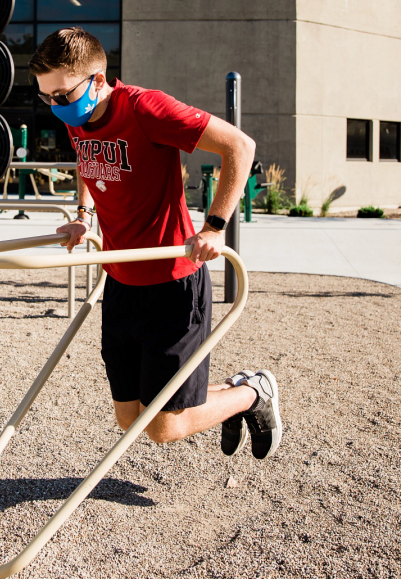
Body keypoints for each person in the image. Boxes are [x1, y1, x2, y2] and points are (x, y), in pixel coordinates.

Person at [28, 27, 282, 459]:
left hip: (172, 283)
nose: (56, 107)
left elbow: (239, 146)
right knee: (129, 418)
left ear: (99, 80)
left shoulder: (146, 108)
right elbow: (86, 159)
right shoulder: (79, 117)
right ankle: (233, 393)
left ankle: (254, 394)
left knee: (163, 426)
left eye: (62, 96)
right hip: (122, 280)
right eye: (46, 97)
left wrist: (214, 226)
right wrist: (83, 216)